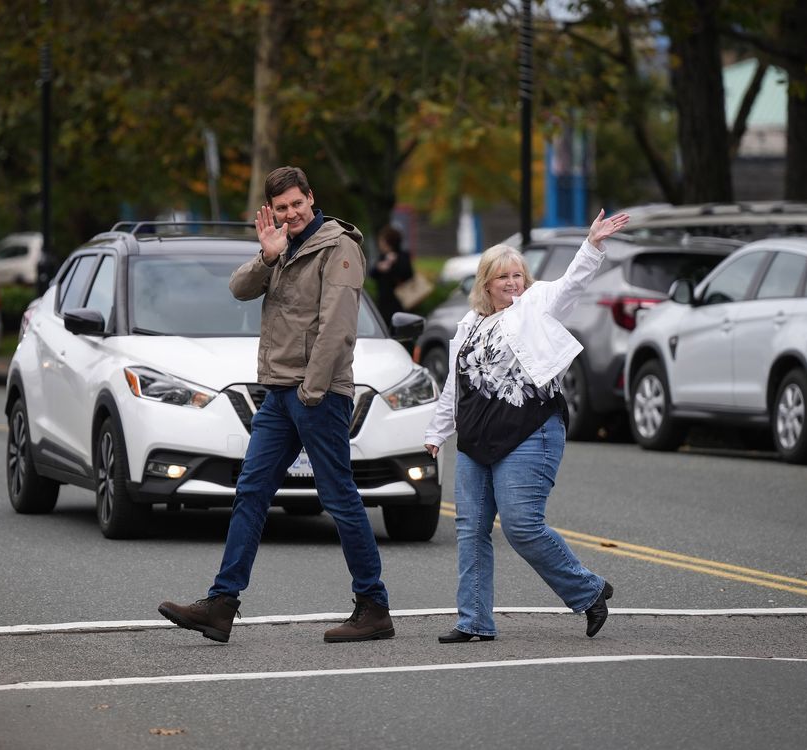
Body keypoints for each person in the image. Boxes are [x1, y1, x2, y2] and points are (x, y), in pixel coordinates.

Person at [158, 166, 393, 644]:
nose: (290, 213)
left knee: (340, 499)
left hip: (317, 394)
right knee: (251, 492)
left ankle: (374, 607)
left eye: (296, 204)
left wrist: (311, 389)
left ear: (311, 198)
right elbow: (239, 289)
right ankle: (222, 604)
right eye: (281, 208)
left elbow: (338, 329)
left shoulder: (338, 247)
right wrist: (266, 258)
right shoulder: (281, 247)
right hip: (277, 393)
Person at [423, 209, 629, 642]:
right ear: (486, 284)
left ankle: (588, 590)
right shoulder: (469, 324)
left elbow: (572, 282)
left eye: (518, 275)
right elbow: (453, 387)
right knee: (471, 530)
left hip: (530, 430)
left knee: (521, 525)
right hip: (477, 439)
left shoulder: (537, 305)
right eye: (503, 277)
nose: (513, 282)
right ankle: (474, 622)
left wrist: (592, 245)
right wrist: (435, 433)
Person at [368, 225, 413, 324]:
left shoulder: (402, 256)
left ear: (388, 242)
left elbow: (408, 274)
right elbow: (371, 274)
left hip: (400, 303)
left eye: (382, 240)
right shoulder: (382, 257)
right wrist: (379, 267)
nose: (380, 244)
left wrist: (394, 264)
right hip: (384, 303)